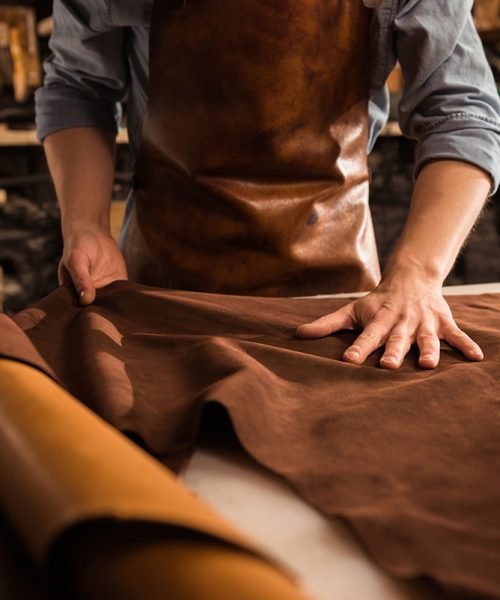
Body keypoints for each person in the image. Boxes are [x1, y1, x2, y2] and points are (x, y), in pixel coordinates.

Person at [36, 0, 500, 370]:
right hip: (159, 291)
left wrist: (417, 275)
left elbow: (461, 116)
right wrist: (87, 226)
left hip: (336, 304)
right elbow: (79, 88)